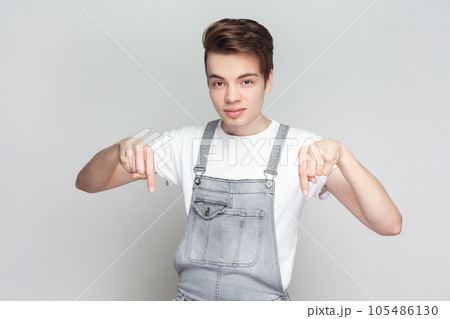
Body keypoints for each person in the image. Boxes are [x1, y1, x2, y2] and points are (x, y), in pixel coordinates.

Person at [75, 18, 402, 301]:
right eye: (219, 83)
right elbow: (87, 183)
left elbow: (388, 224)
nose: (231, 97)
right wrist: (120, 148)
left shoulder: (304, 149)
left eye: (246, 81)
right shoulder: (184, 143)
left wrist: (343, 156)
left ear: (268, 80)